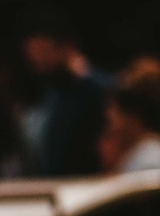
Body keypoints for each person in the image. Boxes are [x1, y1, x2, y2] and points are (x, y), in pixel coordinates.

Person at [20, 8, 109, 177]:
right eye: (34, 60)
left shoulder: (101, 92)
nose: (40, 65)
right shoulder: (54, 93)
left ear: (68, 47)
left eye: (44, 54)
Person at [101, 59, 160, 174]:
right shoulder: (144, 154)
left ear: (131, 116)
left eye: (115, 113)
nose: (111, 126)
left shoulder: (147, 163)